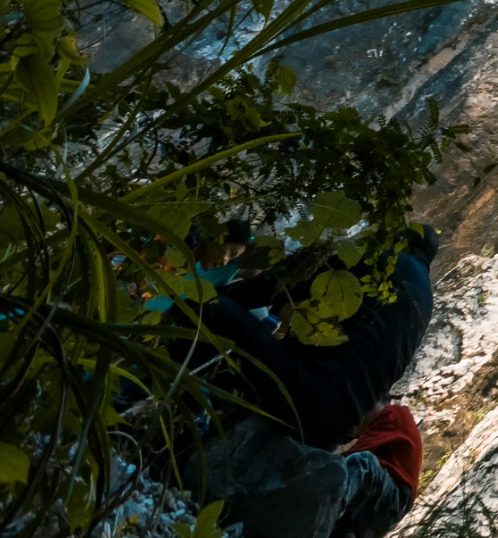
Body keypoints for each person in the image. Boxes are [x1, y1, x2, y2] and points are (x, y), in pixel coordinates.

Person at [185, 228, 441, 538]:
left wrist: (229, 297)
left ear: (400, 238)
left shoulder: (386, 259)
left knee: (212, 310)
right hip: (333, 428)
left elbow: (285, 282)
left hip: (305, 390)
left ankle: (155, 404)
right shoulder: (424, 305)